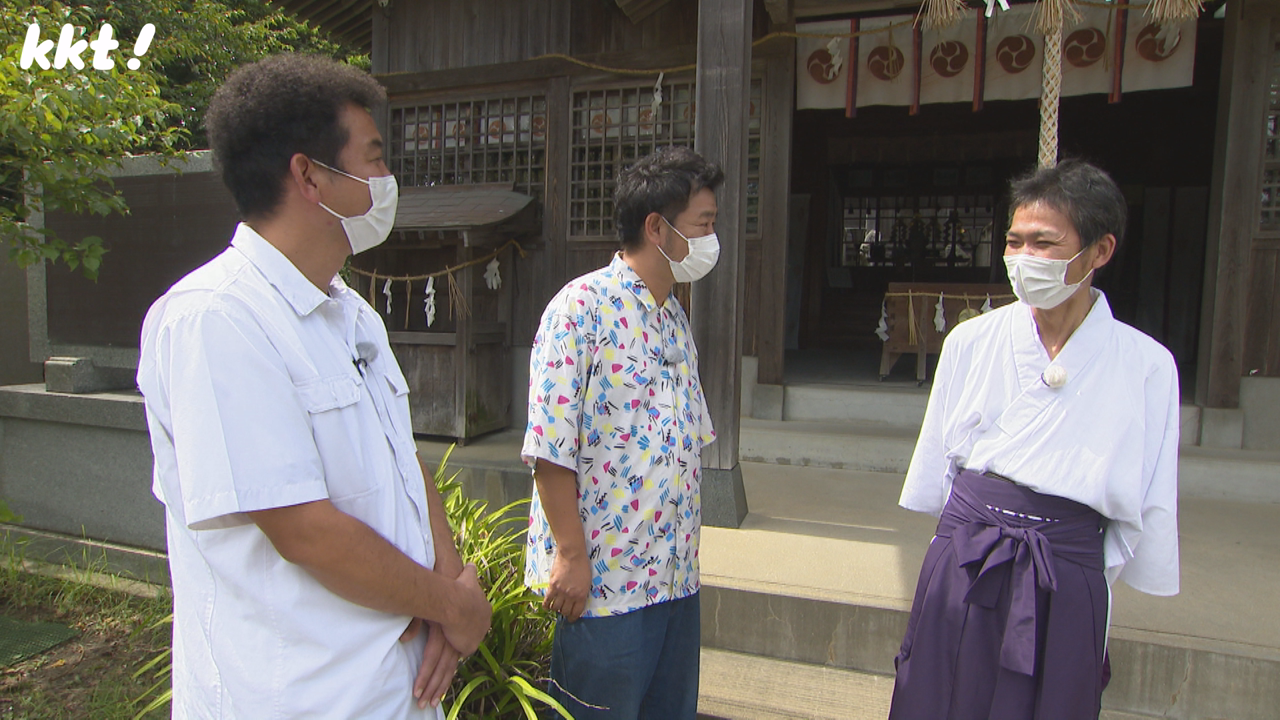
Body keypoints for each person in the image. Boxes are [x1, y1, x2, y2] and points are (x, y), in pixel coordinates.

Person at [136, 54, 492, 719]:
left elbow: (402, 459)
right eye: (375, 159)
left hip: (394, 692)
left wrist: (450, 589)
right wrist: (452, 604)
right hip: (298, 699)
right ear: (309, 174)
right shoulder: (217, 318)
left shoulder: (351, 314)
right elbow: (301, 527)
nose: (387, 181)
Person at [889, 159, 1180, 720]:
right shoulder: (972, 341)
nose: (1024, 259)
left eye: (1044, 243)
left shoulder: (1147, 364)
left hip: (1066, 566)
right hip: (968, 554)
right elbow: (938, 475)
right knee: (941, 695)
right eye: (1014, 241)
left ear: (1100, 251)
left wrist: (1092, 569)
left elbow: (1147, 489)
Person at [520, 146, 722, 719]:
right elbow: (550, 449)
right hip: (607, 583)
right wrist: (570, 555)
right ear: (656, 227)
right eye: (702, 225)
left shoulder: (675, 317)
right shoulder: (579, 309)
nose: (711, 239)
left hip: (675, 577)